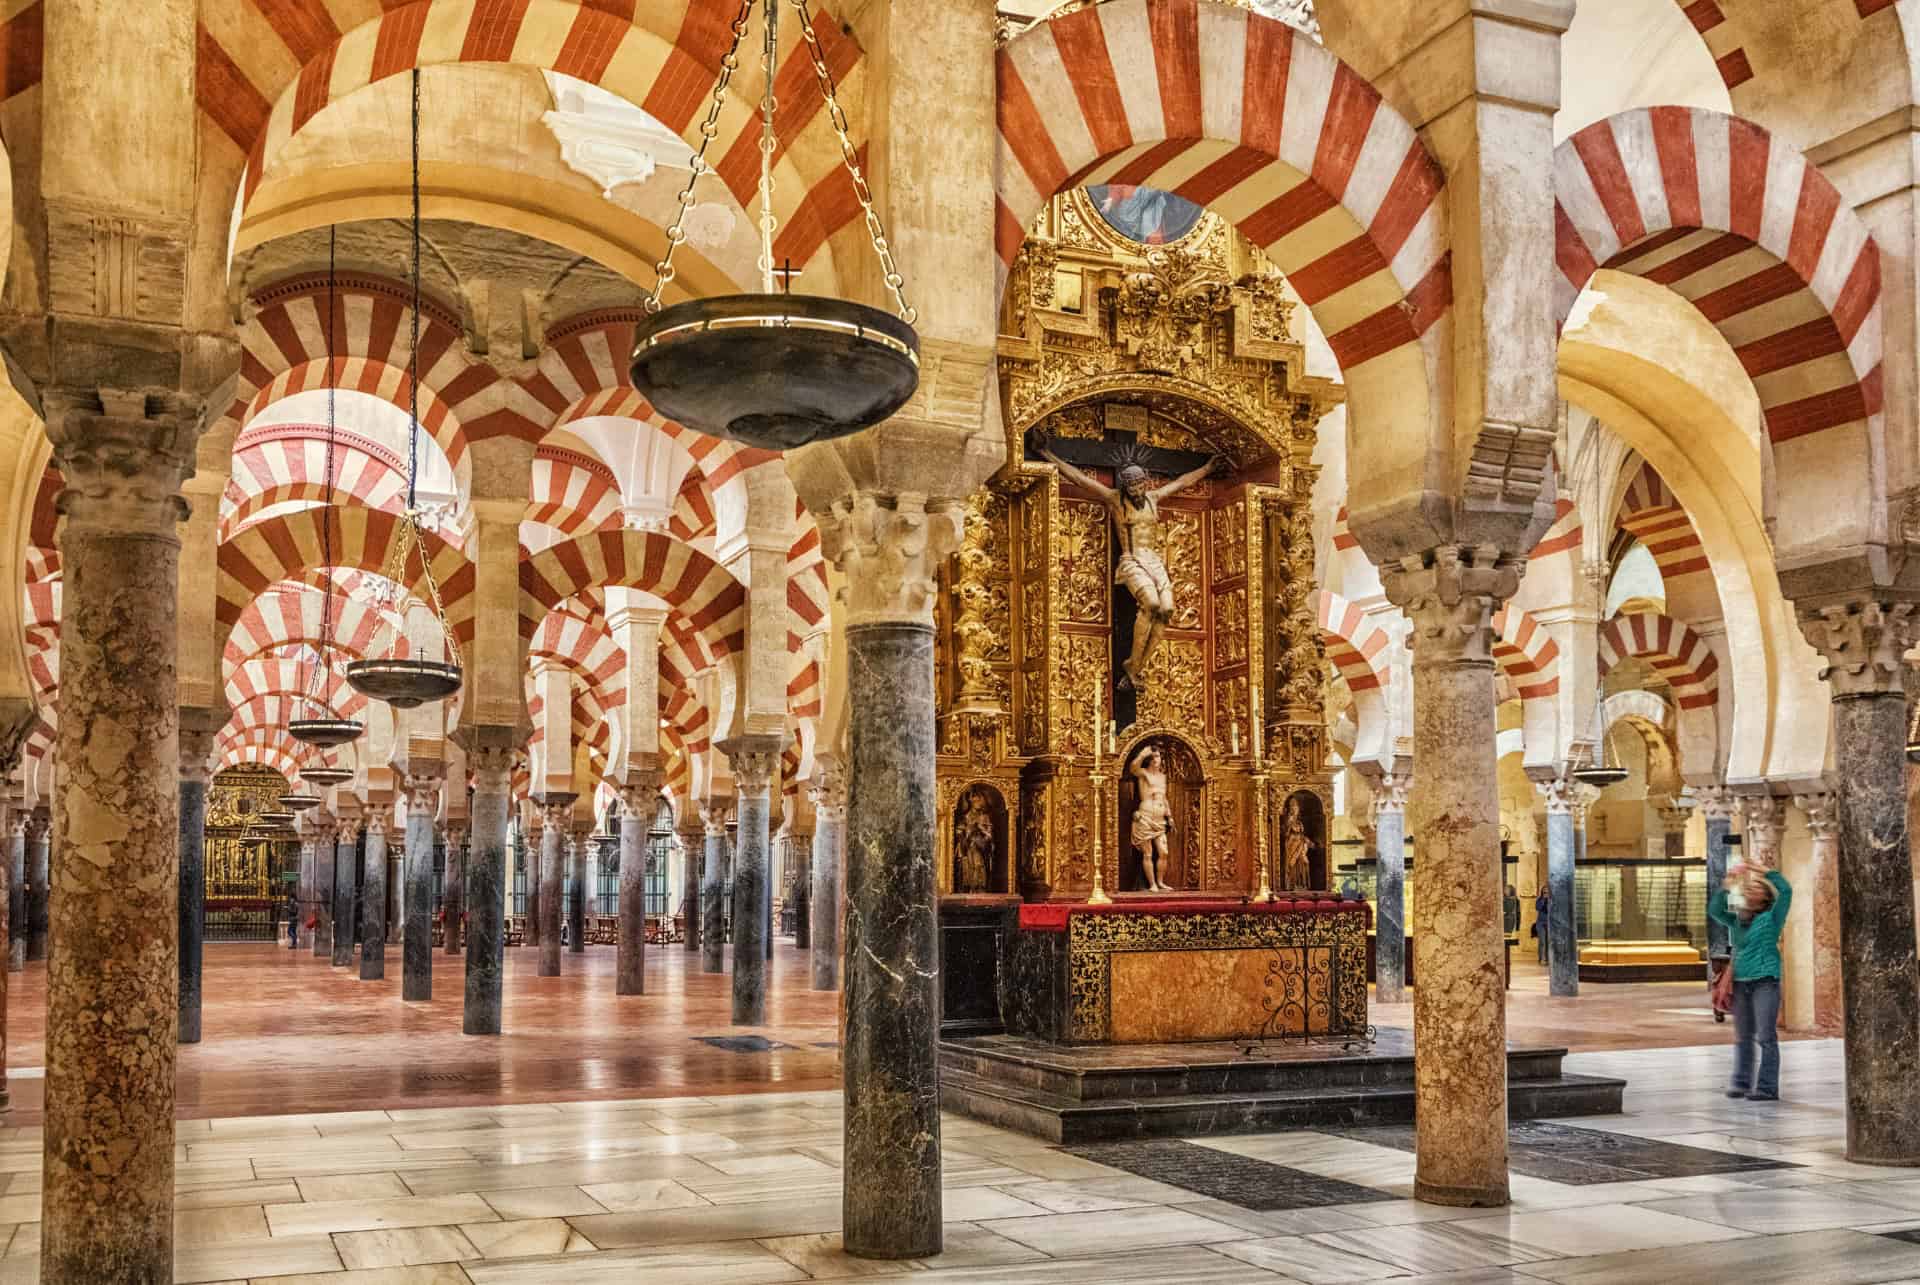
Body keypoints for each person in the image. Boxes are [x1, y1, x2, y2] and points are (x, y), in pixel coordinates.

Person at [1708, 863, 1793, 1101]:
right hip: (1741, 983)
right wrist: (1728, 883)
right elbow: (1715, 910)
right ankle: (1741, 1083)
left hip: (1765, 980)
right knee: (1742, 1036)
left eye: (1758, 888)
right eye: (1749, 887)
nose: (1751, 890)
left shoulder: (1772, 917)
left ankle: (1767, 1088)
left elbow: (1786, 891)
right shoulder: (1738, 920)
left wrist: (1760, 870)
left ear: (1765, 897)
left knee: (1766, 1036)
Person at [1534, 887, 1551, 964]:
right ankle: (1540, 958)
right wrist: (1543, 900)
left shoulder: (1552, 900)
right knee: (1542, 942)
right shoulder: (1539, 900)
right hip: (1540, 923)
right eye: (1544, 892)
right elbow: (1538, 908)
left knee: (1548, 942)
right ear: (1542, 893)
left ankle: (1548, 959)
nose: (1545, 894)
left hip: (1549, 923)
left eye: (1547, 892)